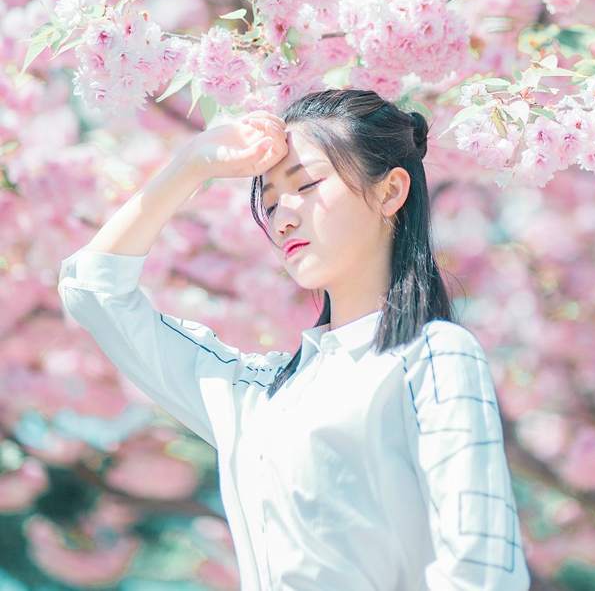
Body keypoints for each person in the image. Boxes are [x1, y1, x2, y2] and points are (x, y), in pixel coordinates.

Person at [58, 87, 531, 591]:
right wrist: (190, 166)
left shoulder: (432, 358)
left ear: (390, 192)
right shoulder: (255, 394)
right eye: (268, 201)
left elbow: (482, 571)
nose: (282, 217)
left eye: (306, 185)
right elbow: (93, 291)